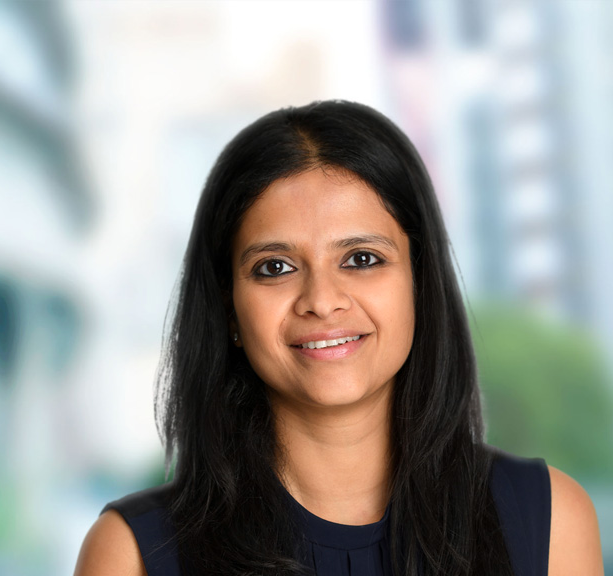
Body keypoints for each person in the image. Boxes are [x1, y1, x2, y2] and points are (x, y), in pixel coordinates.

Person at [74, 100, 603, 575]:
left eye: (362, 259)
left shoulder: (549, 520)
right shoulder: (132, 554)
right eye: (275, 267)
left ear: (419, 285)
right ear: (228, 308)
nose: (322, 301)